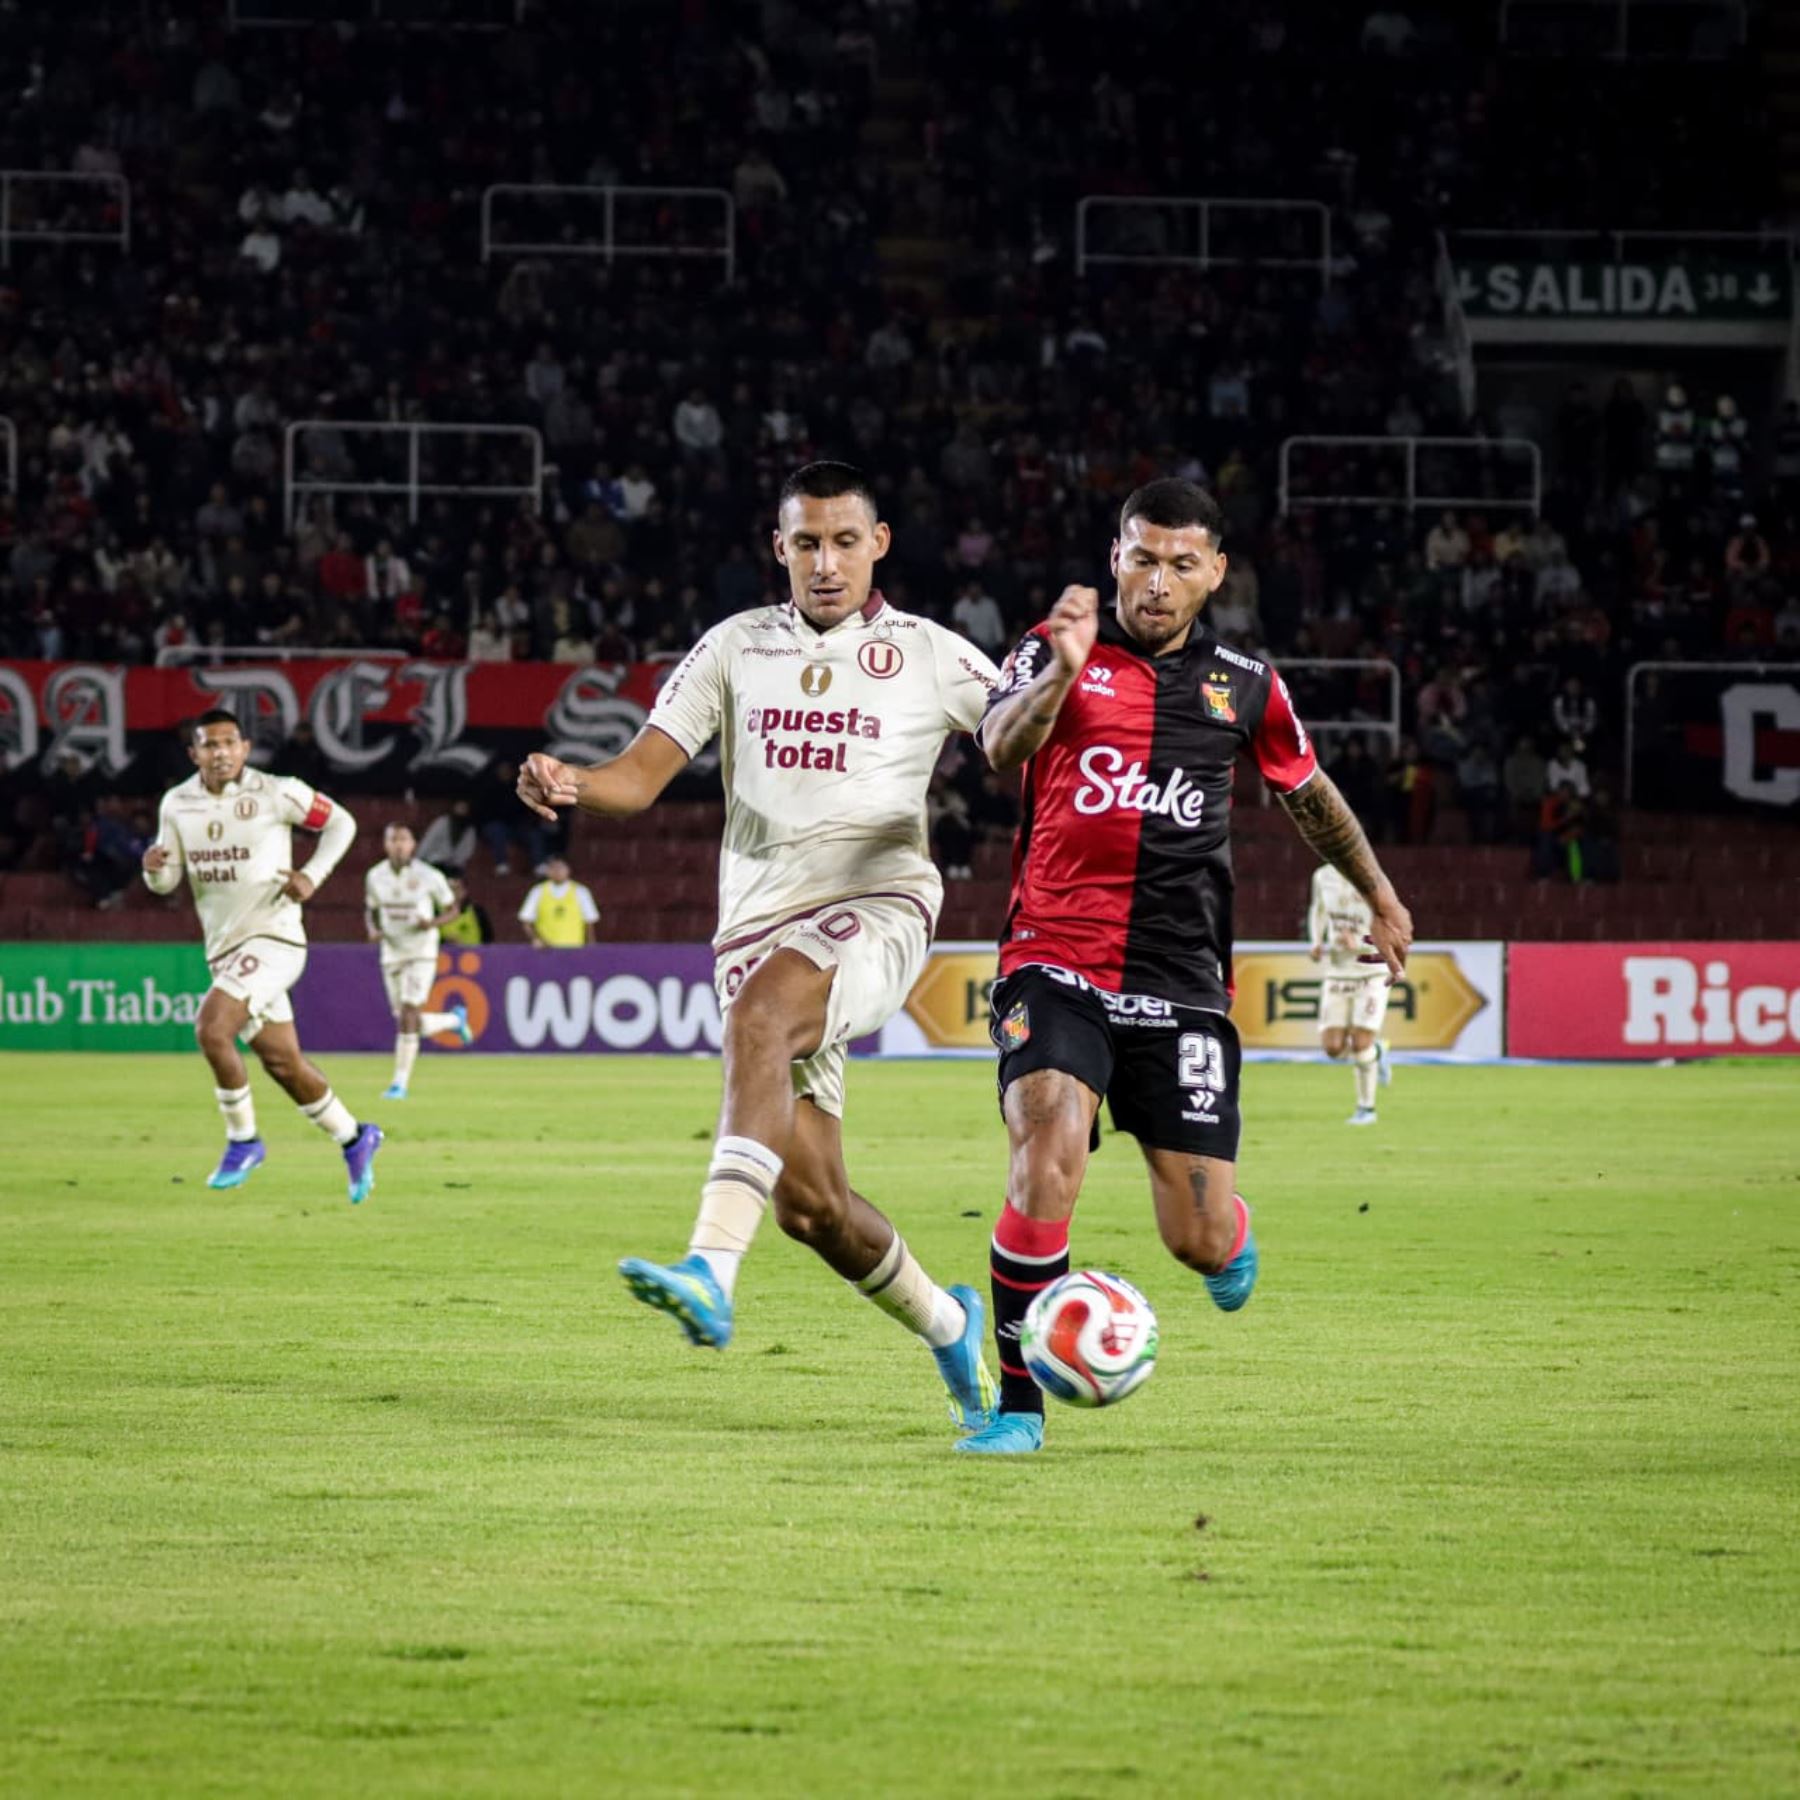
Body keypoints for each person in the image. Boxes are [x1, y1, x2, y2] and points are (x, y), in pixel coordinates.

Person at [515, 460, 1002, 1436]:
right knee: (811, 1206)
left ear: (879, 544)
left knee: (762, 1014)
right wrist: (573, 782)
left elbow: (1021, 737)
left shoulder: (931, 652)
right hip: (754, 923)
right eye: (807, 543)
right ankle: (952, 1327)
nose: (826, 562)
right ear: (779, 548)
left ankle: (709, 1268)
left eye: (845, 542)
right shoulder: (735, 646)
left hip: (878, 902)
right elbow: (641, 776)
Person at [958, 479, 1412, 1455]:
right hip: (1055, 956)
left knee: (1193, 1238)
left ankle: (1228, 1234)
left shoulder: (1245, 683)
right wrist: (1060, 672)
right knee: (1047, 1154)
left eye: (1180, 564)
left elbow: (1308, 792)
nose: (1157, 582)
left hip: (1180, 979)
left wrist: (1377, 892)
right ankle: (1018, 1408)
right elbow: (997, 746)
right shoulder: (1054, 647)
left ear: (1215, 573)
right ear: (1114, 558)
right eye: (1141, 559)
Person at [139, 710, 384, 1202]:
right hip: (224, 948)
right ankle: (355, 1137)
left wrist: (311, 875)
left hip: (275, 938)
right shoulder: (177, 804)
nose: (221, 753)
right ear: (194, 754)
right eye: (210, 745)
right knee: (282, 1062)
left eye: (230, 742)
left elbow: (341, 823)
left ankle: (244, 1140)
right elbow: (168, 880)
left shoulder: (278, 792)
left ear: (245, 749)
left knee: (212, 1029)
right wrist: (153, 870)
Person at [364, 822, 473, 1100]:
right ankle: (453, 1020)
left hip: (421, 952)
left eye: (404, 840)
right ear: (386, 844)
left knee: (409, 1012)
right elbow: (371, 910)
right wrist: (373, 930)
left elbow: (453, 909)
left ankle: (399, 1084)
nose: (399, 845)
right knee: (405, 1020)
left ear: (413, 845)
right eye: (393, 840)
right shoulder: (375, 876)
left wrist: (431, 923)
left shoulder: (429, 875)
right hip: (391, 952)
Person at [1309, 862, 1392, 1126]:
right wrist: (1316, 941)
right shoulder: (1323, 876)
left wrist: (1360, 944)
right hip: (1338, 969)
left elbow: (1390, 924)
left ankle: (1366, 1109)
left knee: (1360, 1043)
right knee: (1333, 1048)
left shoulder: (1372, 878)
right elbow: (1318, 909)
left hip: (1371, 970)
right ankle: (1377, 1052)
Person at [517, 854, 600, 947]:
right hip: (547, 950)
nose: (557, 872)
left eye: (561, 868)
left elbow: (589, 922)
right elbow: (526, 920)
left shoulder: (581, 891)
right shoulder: (538, 891)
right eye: (553, 868)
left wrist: (591, 947)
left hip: (574, 949)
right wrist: (535, 938)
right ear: (547, 871)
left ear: (568, 870)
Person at [439, 870, 495, 945]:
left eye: (457, 888)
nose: (454, 893)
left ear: (465, 891)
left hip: (474, 952)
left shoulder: (477, 911)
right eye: (450, 889)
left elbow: (488, 940)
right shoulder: (436, 912)